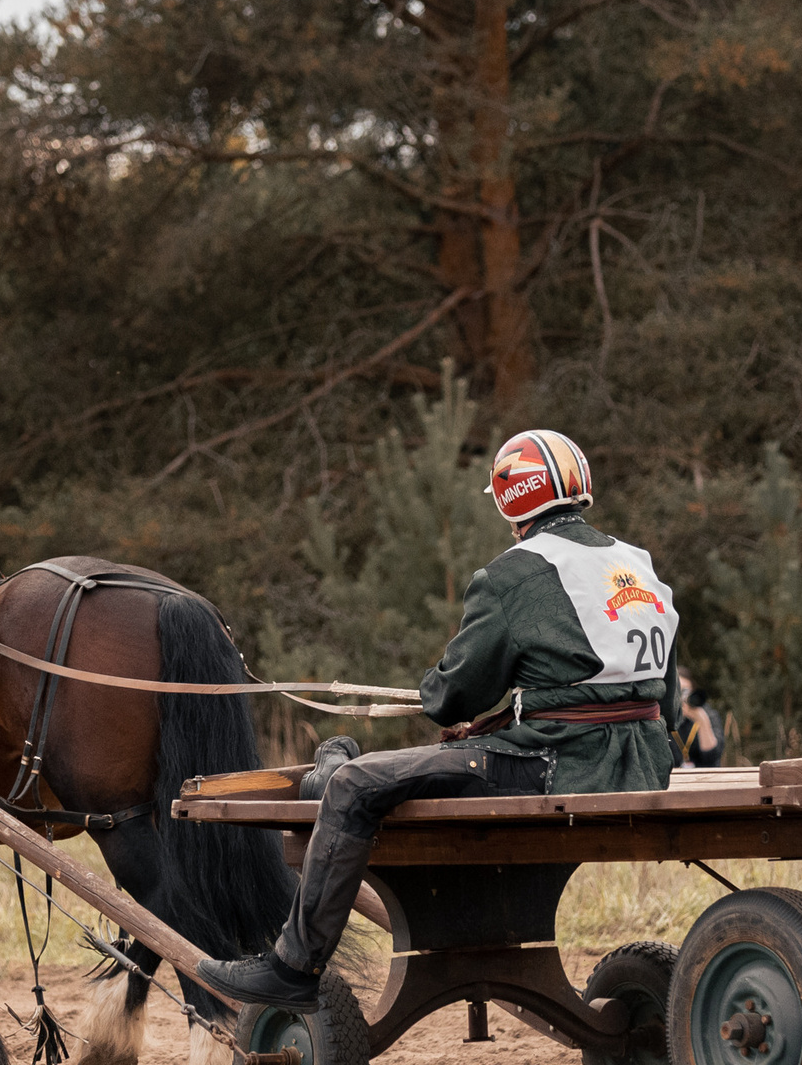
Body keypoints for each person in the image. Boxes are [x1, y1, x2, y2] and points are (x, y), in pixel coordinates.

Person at [194, 429, 681, 1009]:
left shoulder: (513, 574)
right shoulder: (638, 564)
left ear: (510, 503)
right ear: (580, 489)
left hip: (560, 766)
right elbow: (659, 698)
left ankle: (293, 967)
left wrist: (449, 699)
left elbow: (449, 700)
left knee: (352, 784)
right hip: (648, 764)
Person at [674, 670, 723, 769]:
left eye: (685, 691)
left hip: (704, 777)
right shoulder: (660, 717)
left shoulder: (708, 714)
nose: (681, 698)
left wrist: (702, 721)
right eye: (677, 691)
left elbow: (712, 759)